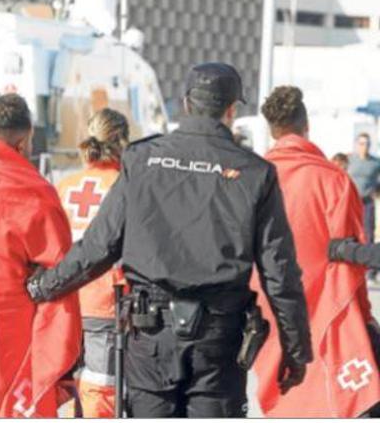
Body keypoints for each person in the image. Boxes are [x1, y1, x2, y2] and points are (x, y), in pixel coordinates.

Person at [27, 62, 313, 417]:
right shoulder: (256, 173)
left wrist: (41, 287)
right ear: (231, 109)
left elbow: (98, 247)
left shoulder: (142, 158)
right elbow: (279, 272)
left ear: (185, 103)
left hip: (151, 335)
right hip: (219, 340)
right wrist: (296, 350)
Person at [0, 93, 81, 417]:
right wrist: (59, 361)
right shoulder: (33, 192)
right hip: (7, 344)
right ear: (23, 142)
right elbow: (62, 281)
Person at [253, 85, 380, 417]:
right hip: (324, 307)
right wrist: (365, 319)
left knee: (282, 395)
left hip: (266, 305)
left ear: (272, 130)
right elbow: (352, 255)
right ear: (306, 126)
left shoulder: (252, 177)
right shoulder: (333, 180)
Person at [54, 108, 129, 417]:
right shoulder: (126, 187)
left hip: (66, 301)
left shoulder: (65, 185)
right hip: (105, 304)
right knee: (102, 389)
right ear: (124, 142)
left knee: (68, 385)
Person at [349, 133, 380, 243]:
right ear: (357, 144)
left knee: (368, 231)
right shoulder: (350, 160)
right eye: (362, 143)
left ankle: (369, 258)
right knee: (350, 231)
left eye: (367, 144)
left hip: (367, 202)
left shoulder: (376, 163)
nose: (364, 146)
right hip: (351, 201)